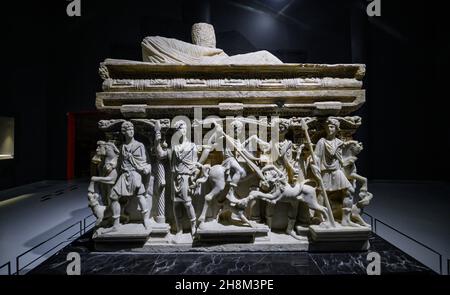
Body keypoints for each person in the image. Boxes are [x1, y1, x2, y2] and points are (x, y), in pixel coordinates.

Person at [109, 121, 152, 230]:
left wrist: (144, 167)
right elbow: (119, 160)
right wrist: (111, 164)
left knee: (140, 196)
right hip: (124, 175)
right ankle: (116, 223)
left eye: (132, 129)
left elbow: (144, 161)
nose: (131, 131)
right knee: (113, 196)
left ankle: (146, 220)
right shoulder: (123, 146)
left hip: (134, 174)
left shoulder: (139, 145)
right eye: (128, 130)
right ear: (124, 132)